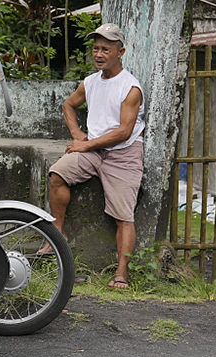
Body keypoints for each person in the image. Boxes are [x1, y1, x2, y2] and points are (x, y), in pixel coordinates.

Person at [48, 23, 145, 290]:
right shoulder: (90, 82)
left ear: (120, 52)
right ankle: (57, 234)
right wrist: (77, 133)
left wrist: (86, 145)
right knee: (58, 174)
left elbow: (124, 132)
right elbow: (69, 104)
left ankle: (121, 274)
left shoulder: (130, 88)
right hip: (93, 148)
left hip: (123, 153)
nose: (99, 54)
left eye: (106, 49)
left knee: (123, 215)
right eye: (95, 49)